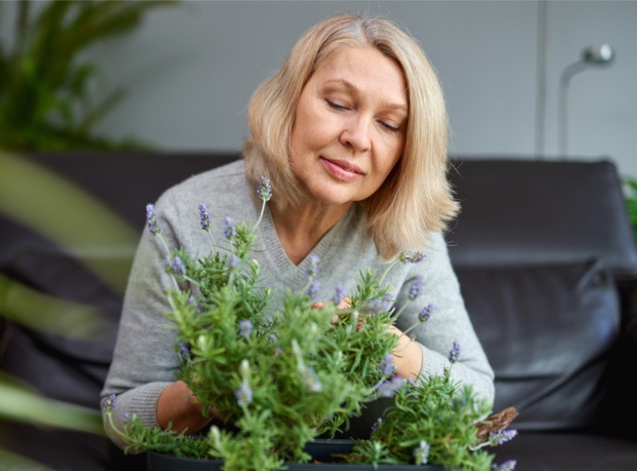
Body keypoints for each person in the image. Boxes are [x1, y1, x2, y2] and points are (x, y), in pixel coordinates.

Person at [101, 13, 494, 448]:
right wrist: (220, 387)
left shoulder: (404, 233)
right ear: (289, 100)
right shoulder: (185, 216)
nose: (359, 138)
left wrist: (386, 345)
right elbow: (118, 418)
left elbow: (477, 396)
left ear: (407, 148)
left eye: (389, 124)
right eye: (339, 104)